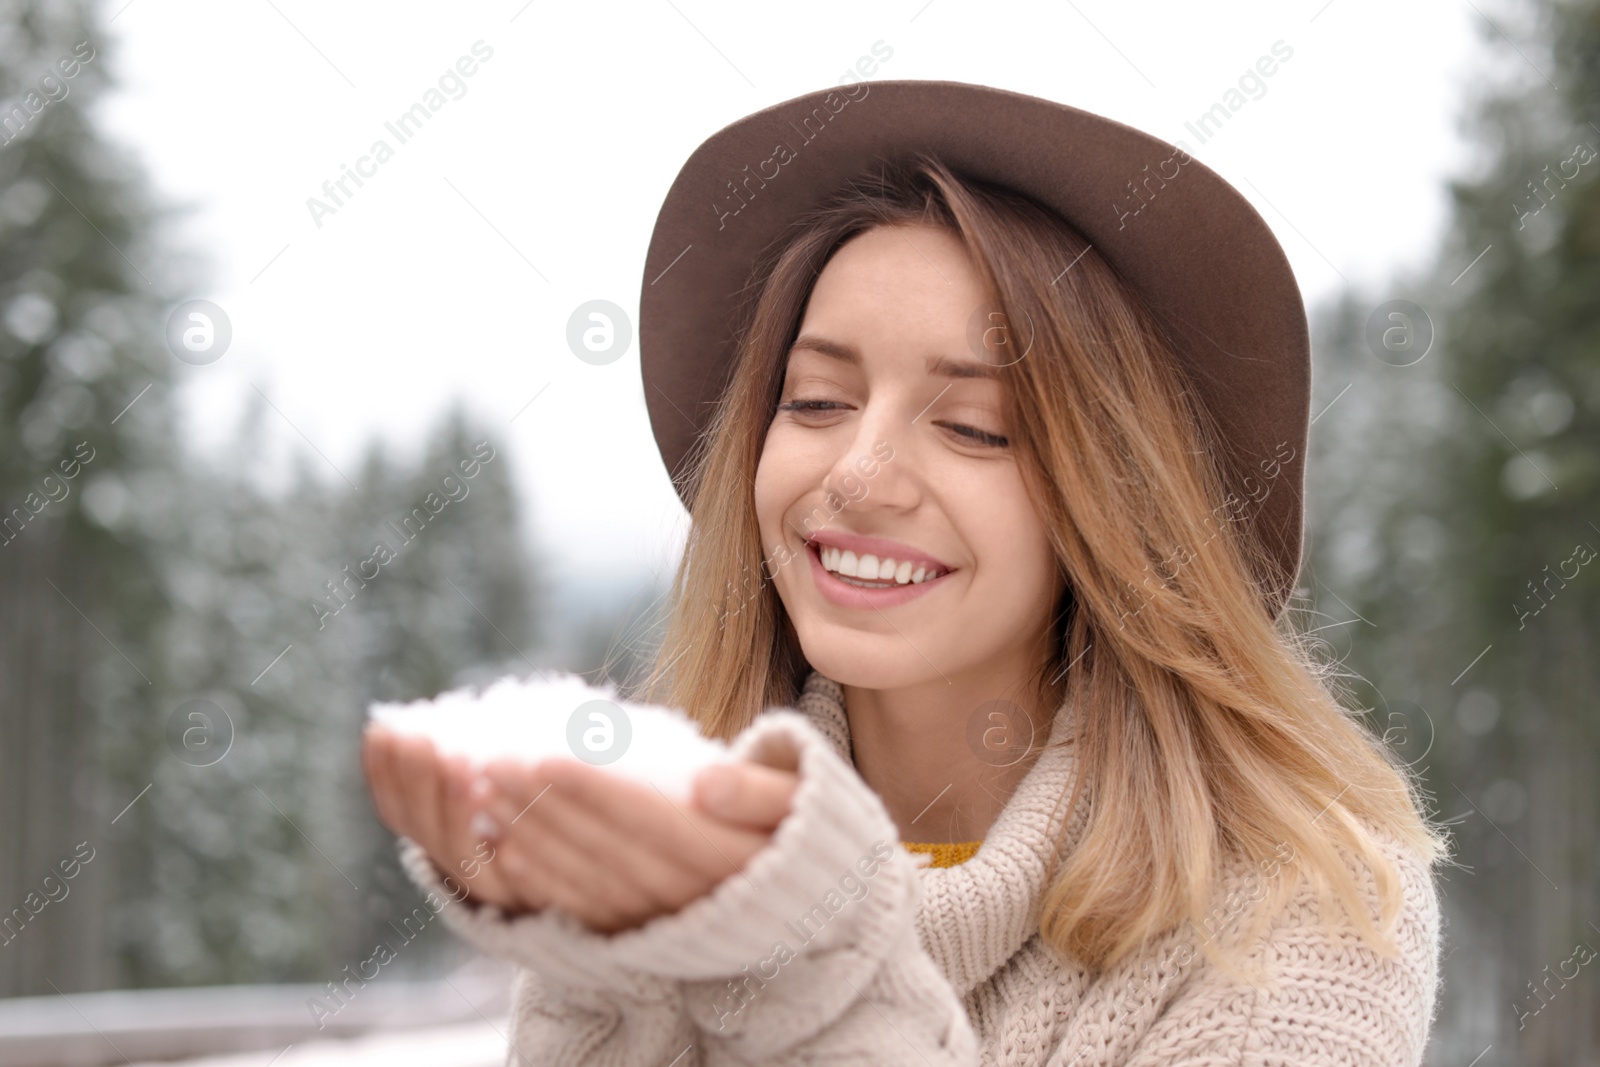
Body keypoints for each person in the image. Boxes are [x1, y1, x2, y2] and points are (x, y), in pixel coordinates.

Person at [362, 80, 1448, 1065]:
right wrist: (601, 946)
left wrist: (791, 943)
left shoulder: (1303, 909)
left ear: (1117, 504)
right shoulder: (669, 852)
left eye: (974, 427)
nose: (859, 474)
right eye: (817, 401)